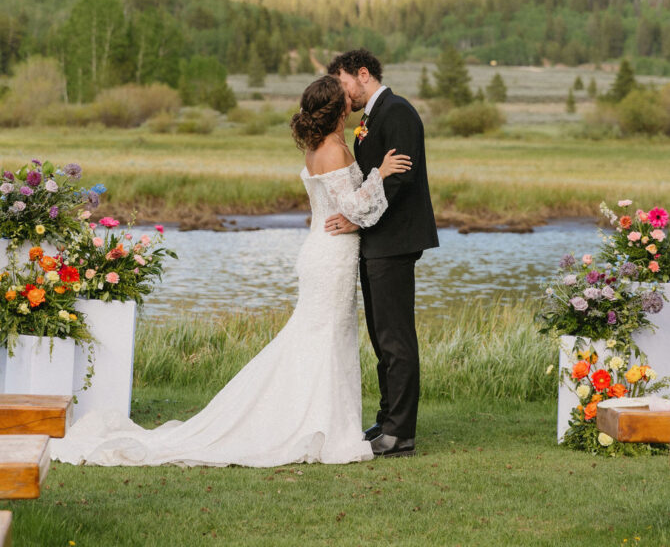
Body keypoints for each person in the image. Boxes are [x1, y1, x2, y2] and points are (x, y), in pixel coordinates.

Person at [52, 74, 411, 468]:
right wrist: (381, 173)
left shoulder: (325, 145)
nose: (351, 99)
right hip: (329, 255)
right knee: (321, 336)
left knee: (328, 336)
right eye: (345, 97)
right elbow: (354, 208)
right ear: (337, 108)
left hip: (329, 251)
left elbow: (347, 207)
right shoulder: (331, 150)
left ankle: (327, 422)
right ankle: (314, 425)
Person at [325, 49, 439, 458]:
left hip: (395, 241)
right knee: (380, 336)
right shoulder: (372, 118)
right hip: (378, 241)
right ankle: (387, 417)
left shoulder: (398, 112)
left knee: (396, 338)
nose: (342, 93)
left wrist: (358, 220)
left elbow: (401, 180)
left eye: (342, 83)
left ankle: (401, 433)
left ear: (362, 74)